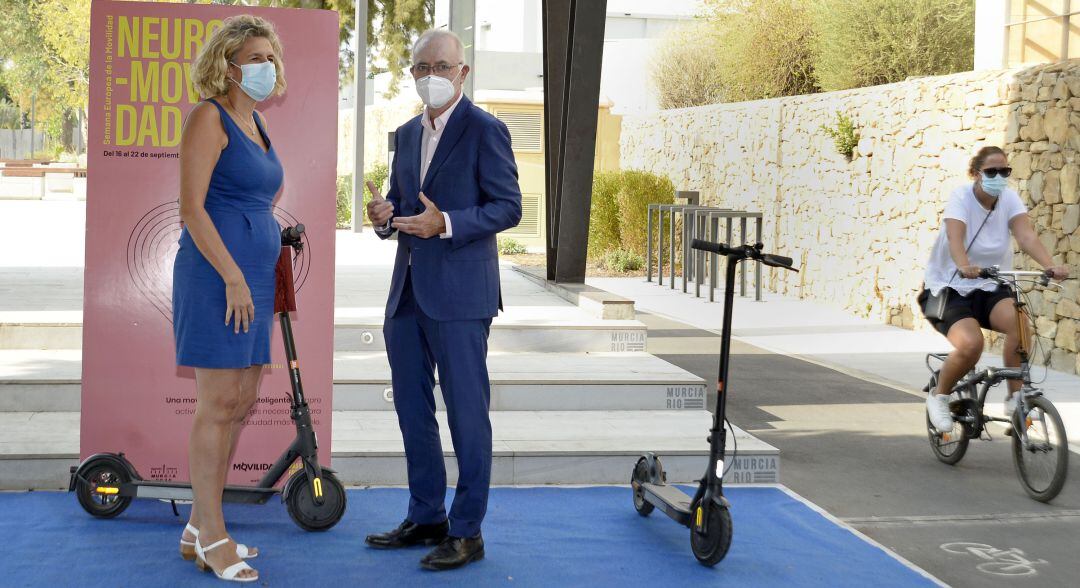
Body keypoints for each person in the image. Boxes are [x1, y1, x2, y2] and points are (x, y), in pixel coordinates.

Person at [363, 29, 522, 571]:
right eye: (422, 67)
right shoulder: (407, 134)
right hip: (407, 293)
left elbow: (508, 207)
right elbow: (407, 206)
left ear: (463, 72)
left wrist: (447, 223)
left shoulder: (486, 130)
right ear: (412, 74)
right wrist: (387, 218)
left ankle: (468, 530)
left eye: (442, 67)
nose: (432, 76)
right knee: (412, 410)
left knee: (467, 416)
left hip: (461, 297)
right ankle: (426, 514)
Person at [173, 15, 287, 583]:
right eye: (256, 58)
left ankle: (198, 525)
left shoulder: (258, 123)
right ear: (227, 63)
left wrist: (257, 270)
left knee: (241, 402)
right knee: (217, 406)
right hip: (218, 279)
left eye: (270, 56)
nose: (266, 66)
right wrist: (234, 277)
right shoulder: (208, 117)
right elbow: (192, 208)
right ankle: (214, 538)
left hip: (254, 281)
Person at [919, 146, 1068, 433]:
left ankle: (1016, 400)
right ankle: (939, 397)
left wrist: (1050, 266)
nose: (999, 177)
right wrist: (963, 264)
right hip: (949, 287)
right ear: (976, 174)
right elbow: (954, 237)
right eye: (991, 172)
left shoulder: (1009, 199)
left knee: (1021, 326)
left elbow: (1026, 236)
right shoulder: (961, 198)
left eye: (1005, 171)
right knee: (972, 345)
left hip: (989, 285)